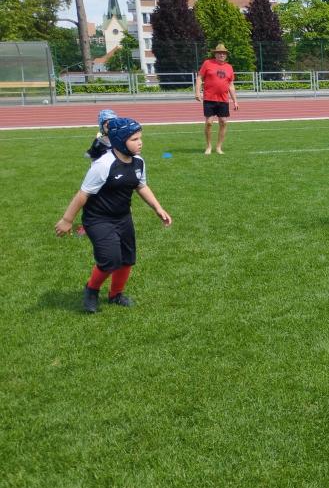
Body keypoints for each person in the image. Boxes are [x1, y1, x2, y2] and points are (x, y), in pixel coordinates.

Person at [55, 117, 172, 313]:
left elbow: (141, 186)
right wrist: (67, 220)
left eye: (140, 138)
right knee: (110, 259)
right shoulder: (104, 164)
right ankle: (91, 290)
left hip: (123, 217)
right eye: (134, 139)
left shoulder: (138, 162)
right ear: (119, 141)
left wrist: (158, 208)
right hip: (98, 219)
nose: (140, 143)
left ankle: (115, 294)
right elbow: (83, 194)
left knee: (127, 258)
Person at [194, 43, 239, 155]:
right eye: (219, 53)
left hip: (223, 99)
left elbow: (231, 85)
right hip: (209, 98)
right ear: (215, 54)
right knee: (209, 123)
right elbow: (199, 77)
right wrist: (197, 92)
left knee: (223, 122)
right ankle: (209, 146)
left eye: (223, 53)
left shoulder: (229, 67)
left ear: (226, 55)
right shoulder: (207, 63)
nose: (221, 55)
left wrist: (235, 101)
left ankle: (219, 147)